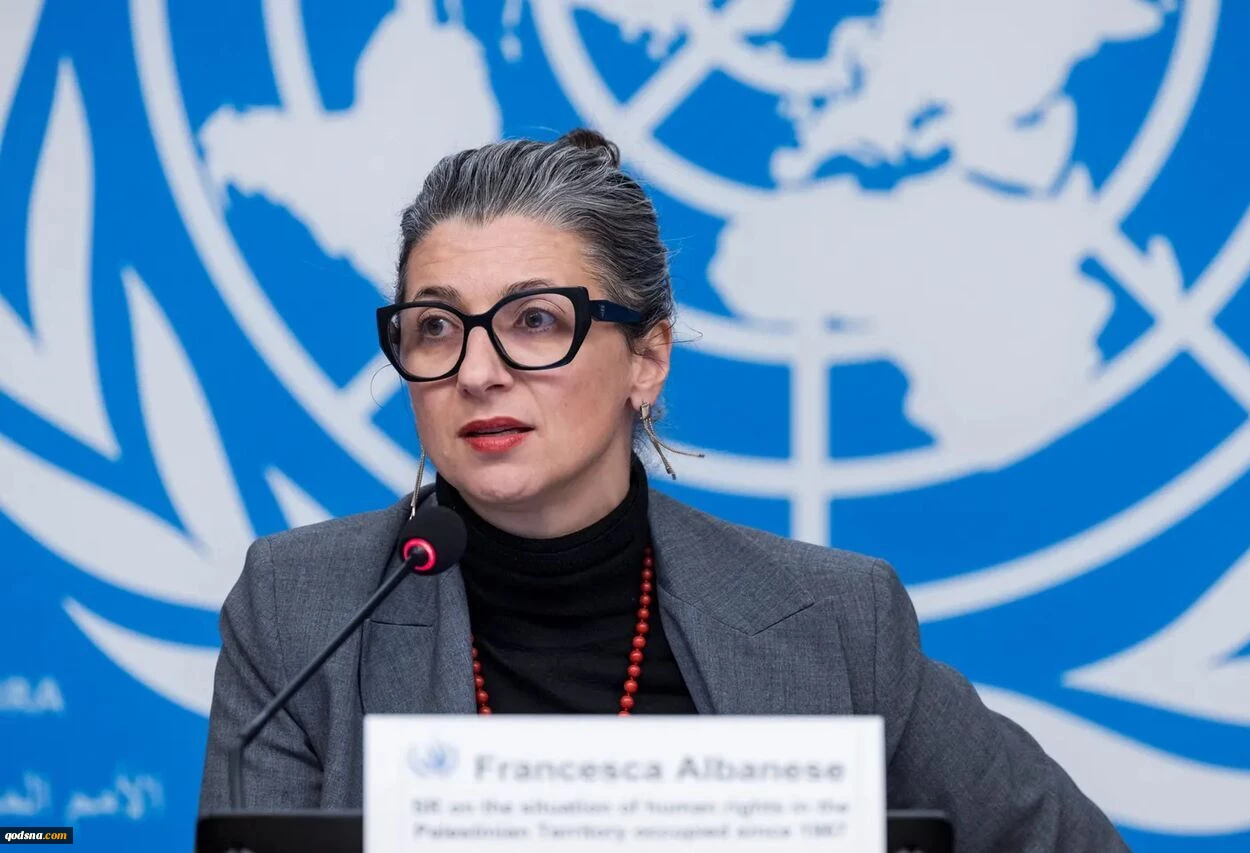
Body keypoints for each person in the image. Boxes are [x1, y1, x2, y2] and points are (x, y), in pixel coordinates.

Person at [199, 128, 1128, 851]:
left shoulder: (837, 621)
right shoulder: (301, 610)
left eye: (534, 320)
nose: (477, 371)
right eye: (436, 326)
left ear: (646, 359)